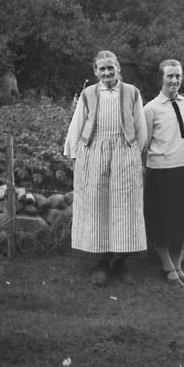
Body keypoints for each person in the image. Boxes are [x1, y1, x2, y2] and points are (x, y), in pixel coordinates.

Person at [63, 50, 147, 286]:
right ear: (95, 71)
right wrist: (75, 155)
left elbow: (141, 128)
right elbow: (77, 125)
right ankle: (102, 262)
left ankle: (121, 263)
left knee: (124, 208)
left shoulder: (132, 93)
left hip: (124, 154)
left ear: (118, 68)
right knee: (98, 206)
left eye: (111, 67)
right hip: (95, 154)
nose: (107, 72)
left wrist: (134, 155)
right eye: (102, 68)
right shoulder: (88, 94)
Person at [143, 59, 184, 286]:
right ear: (161, 78)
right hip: (161, 171)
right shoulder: (151, 108)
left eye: (178, 76)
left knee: (182, 223)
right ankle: (168, 267)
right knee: (162, 222)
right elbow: (145, 142)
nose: (174, 80)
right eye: (170, 76)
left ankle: (178, 267)